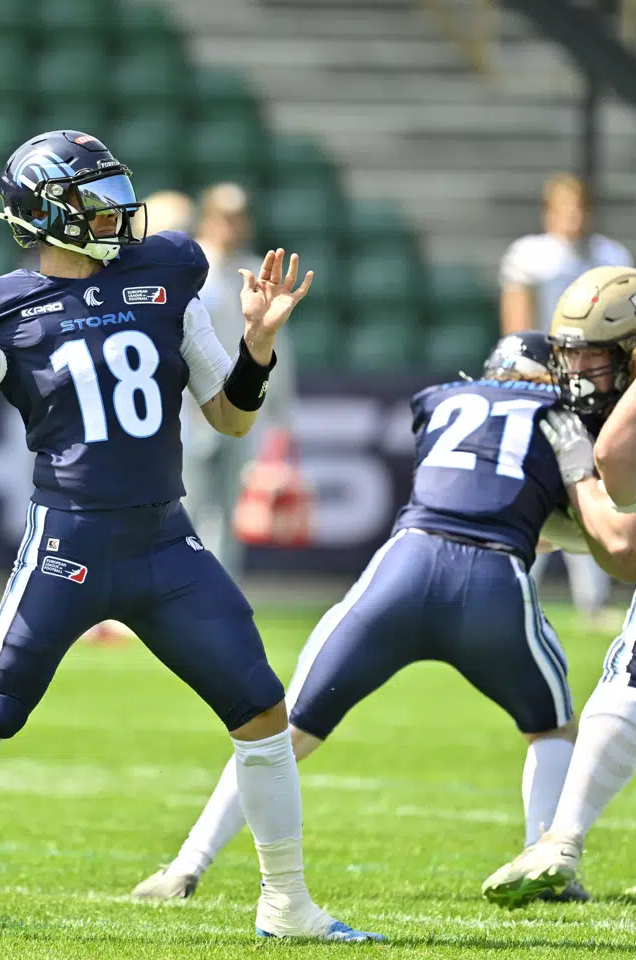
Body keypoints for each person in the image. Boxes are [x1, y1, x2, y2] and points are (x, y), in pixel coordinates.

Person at [0, 130, 379, 943]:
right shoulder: (2, 308)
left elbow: (230, 417)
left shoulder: (167, 273)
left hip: (166, 543)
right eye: (95, 200)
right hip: (68, 544)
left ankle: (288, 905)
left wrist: (258, 346)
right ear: (44, 215)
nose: (117, 215)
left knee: (261, 714)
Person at [134, 331, 590, 901]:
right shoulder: (556, 417)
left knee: (282, 732)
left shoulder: (442, 399)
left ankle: (186, 865)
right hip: (492, 579)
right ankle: (542, 863)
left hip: (404, 568)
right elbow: (544, 514)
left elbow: (466, 485)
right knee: (551, 725)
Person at [477, 273, 636, 912]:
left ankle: (608, 848)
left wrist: (582, 475)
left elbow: (629, 551)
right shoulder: (553, 399)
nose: (575, 372)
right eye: (567, 353)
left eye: (594, 355)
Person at [501, 173, 633, 626]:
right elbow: (518, 327)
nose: (574, 218)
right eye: (565, 208)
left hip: (595, 386)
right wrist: (530, 376)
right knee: (536, 489)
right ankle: (516, 591)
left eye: (580, 207)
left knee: (586, 483)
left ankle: (592, 600)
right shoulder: (530, 255)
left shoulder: (612, 256)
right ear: (548, 211)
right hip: (542, 380)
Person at [189, 182, 296, 573]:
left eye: (238, 218)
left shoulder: (255, 269)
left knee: (230, 510)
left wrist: (280, 418)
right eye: (224, 217)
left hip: (241, 406)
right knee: (185, 507)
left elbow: (276, 348)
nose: (232, 227)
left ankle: (219, 590)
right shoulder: (192, 266)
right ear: (208, 218)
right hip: (189, 411)